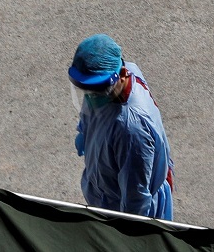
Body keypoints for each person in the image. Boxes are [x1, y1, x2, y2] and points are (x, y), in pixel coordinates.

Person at [68, 34, 174, 220]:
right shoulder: (122, 74)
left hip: (118, 210)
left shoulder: (132, 128)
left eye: (98, 89)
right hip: (107, 194)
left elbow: (136, 197)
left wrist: (123, 232)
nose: (92, 96)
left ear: (122, 75)